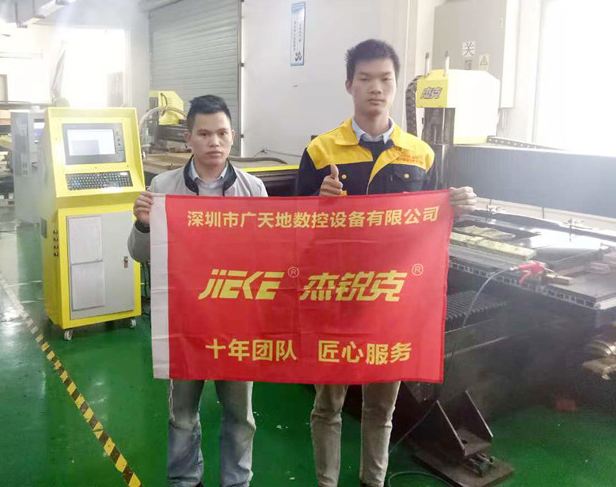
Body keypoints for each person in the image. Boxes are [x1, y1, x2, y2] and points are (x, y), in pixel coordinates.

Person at [296, 39, 477, 487]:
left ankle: (372, 482)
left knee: (381, 408)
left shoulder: (420, 154)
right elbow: (295, 229)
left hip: (390, 300)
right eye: (365, 78)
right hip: (336, 298)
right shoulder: (321, 151)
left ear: (395, 86)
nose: (375, 88)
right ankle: (326, 482)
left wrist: (456, 208)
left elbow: (431, 226)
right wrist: (318, 201)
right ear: (349, 85)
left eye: (385, 79)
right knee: (328, 405)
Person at [128, 95, 267, 487]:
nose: (214, 142)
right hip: (183, 323)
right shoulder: (163, 188)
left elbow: (267, 256)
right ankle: (185, 479)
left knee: (240, 416)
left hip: (235, 324)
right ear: (188, 139)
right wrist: (143, 224)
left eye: (221, 133)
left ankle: (236, 481)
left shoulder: (253, 190)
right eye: (204, 134)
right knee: (183, 416)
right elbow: (139, 254)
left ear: (233, 136)